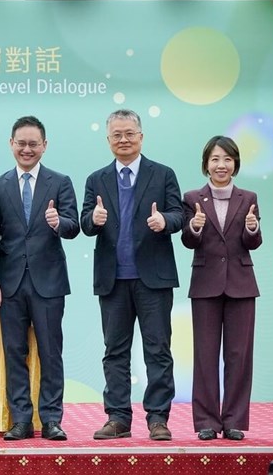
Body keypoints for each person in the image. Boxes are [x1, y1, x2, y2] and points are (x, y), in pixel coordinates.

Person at [80, 109, 183, 441]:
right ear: (108, 140)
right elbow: (83, 223)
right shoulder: (97, 179)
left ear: (141, 136)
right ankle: (118, 418)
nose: (123, 140)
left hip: (153, 277)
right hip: (113, 279)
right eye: (116, 135)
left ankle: (157, 418)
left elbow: (180, 213)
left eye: (129, 133)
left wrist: (164, 221)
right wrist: (93, 219)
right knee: (115, 350)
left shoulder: (163, 174)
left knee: (157, 349)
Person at [0, 116, 79, 441]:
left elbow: (73, 226)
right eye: (21, 143)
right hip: (9, 285)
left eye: (33, 144)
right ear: (12, 144)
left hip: (49, 283)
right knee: (15, 352)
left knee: (51, 352)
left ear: (44, 146)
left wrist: (58, 222)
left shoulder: (60, 182)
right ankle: (21, 419)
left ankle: (52, 418)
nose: (27, 149)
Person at [181, 135, 262, 441]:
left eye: (227, 159)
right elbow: (189, 241)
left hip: (242, 284)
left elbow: (252, 241)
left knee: (240, 355)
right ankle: (206, 421)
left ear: (235, 164)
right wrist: (196, 226)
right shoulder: (192, 198)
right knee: (204, 355)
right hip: (205, 285)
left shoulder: (249, 197)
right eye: (215, 159)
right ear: (206, 164)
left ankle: (234, 421)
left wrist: (252, 228)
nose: (221, 165)